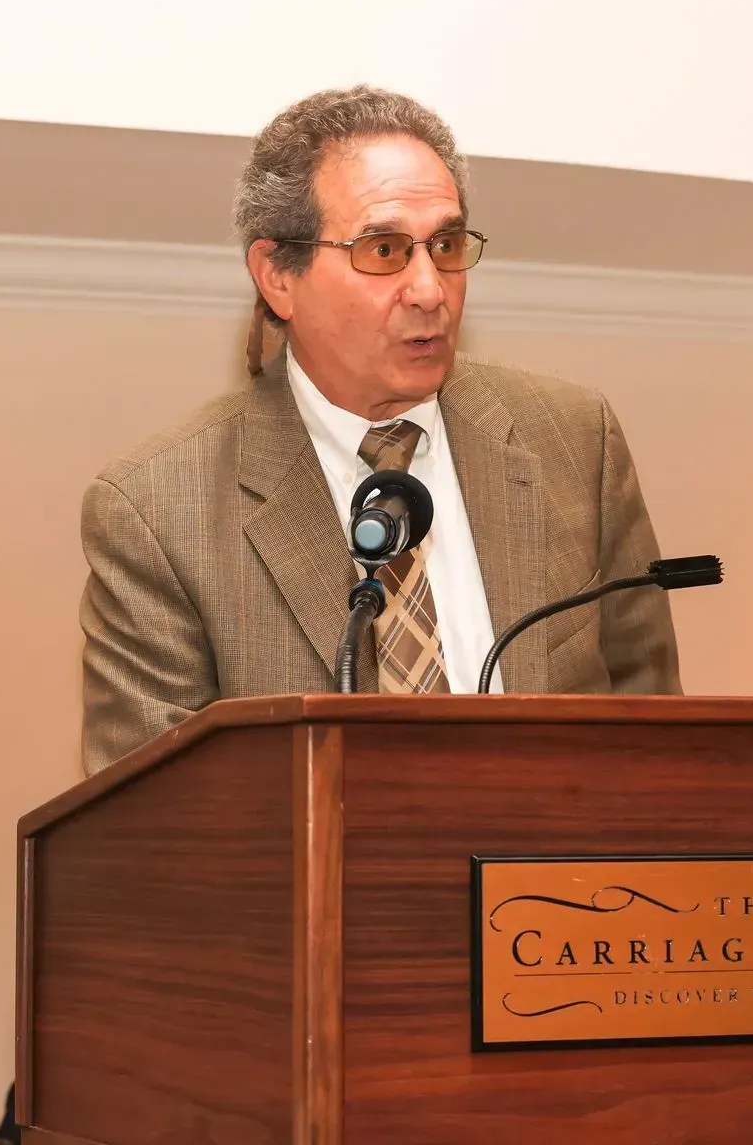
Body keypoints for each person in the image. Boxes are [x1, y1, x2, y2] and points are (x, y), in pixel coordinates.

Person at [78, 86, 680, 773]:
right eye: (386, 250)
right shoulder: (158, 512)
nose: (430, 289)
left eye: (446, 245)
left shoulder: (573, 439)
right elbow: (160, 825)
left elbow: (656, 731)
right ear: (278, 276)